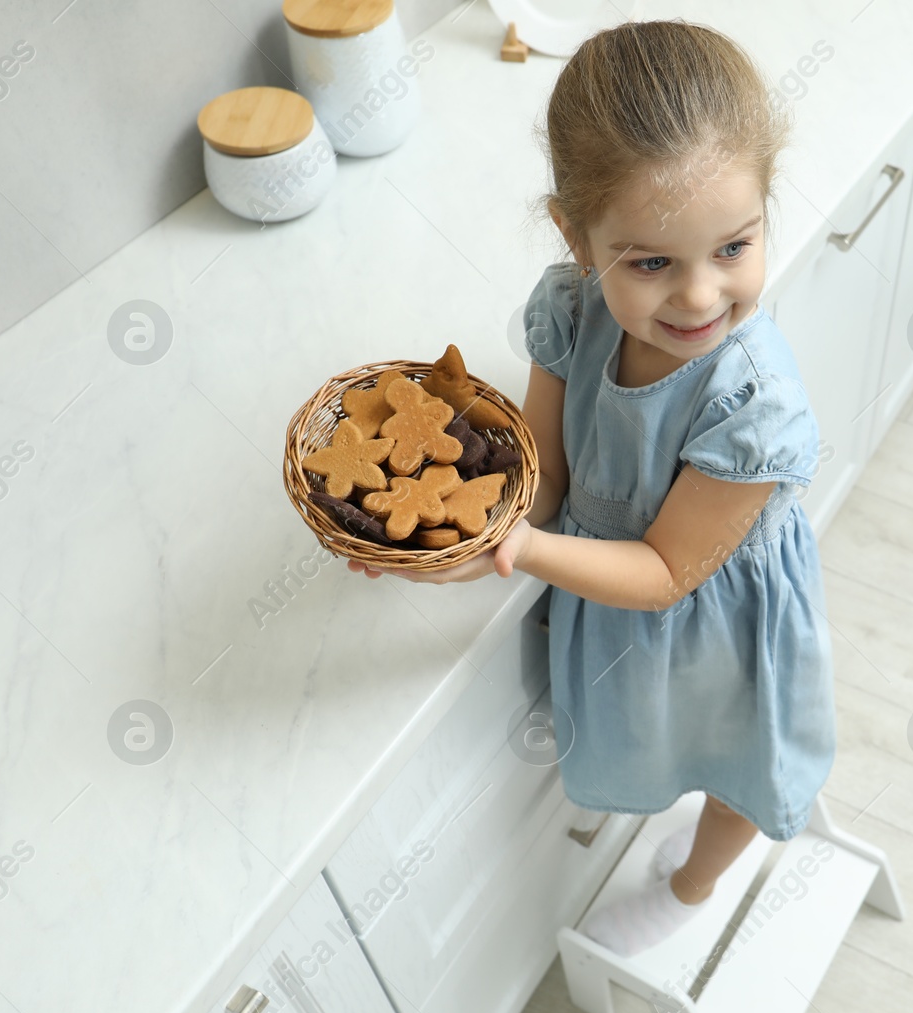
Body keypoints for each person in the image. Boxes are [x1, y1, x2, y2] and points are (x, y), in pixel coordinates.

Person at [348, 18, 835, 957]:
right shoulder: (575, 311)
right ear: (577, 236)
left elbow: (663, 571)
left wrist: (524, 550)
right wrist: (458, 541)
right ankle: (678, 848)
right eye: (651, 262)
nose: (698, 297)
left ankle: (695, 884)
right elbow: (541, 470)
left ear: (766, 211)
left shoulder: (755, 405)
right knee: (663, 740)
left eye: (734, 248)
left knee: (738, 762)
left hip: (718, 610)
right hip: (615, 592)